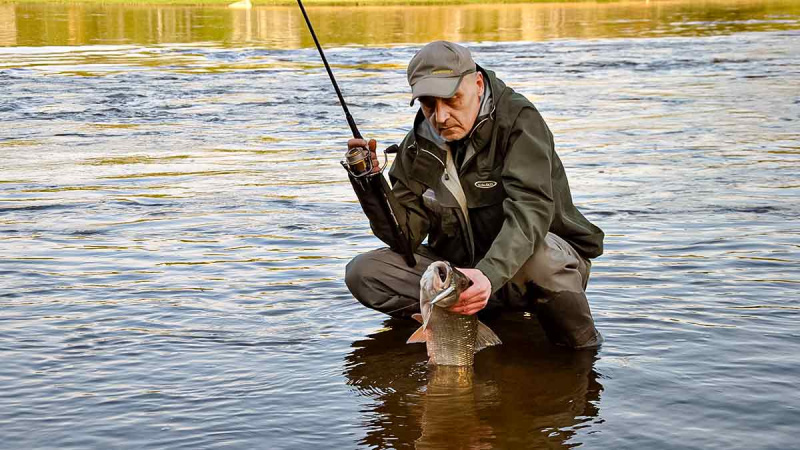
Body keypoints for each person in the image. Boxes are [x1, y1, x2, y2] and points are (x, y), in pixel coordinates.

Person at [344, 41, 604, 349]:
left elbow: (531, 211)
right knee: (364, 273)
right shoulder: (416, 147)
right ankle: (460, 325)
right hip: (464, 277)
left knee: (539, 260)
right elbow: (404, 239)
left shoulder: (519, 121)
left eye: (452, 99)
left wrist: (488, 275)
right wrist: (369, 183)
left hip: (536, 266)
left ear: (477, 85)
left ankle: (583, 350)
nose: (440, 117)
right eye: (429, 105)